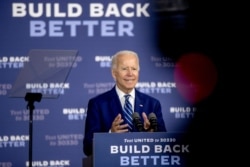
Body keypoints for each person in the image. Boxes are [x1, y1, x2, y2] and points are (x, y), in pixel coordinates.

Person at [83, 50, 167, 156]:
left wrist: (151, 136)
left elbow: (166, 145)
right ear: (114, 73)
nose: (130, 73)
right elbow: (88, 148)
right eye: (124, 69)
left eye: (134, 69)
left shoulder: (152, 104)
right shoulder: (98, 104)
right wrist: (110, 135)